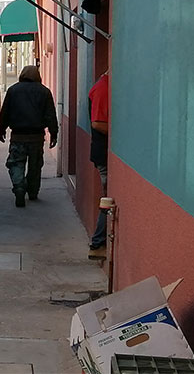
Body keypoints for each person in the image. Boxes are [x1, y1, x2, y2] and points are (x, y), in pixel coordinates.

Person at [0, 65, 59, 207]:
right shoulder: (44, 92)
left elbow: (5, 112)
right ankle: (32, 191)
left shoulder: (13, 90)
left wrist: (2, 129)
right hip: (36, 137)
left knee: (16, 163)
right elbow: (50, 115)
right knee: (35, 166)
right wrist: (54, 133)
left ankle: (19, 186)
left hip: (18, 136)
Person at [88, 71, 110, 259]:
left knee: (108, 198)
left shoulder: (104, 86)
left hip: (102, 153)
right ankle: (97, 244)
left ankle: (98, 243)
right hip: (104, 154)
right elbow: (97, 123)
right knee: (108, 199)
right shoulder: (103, 88)